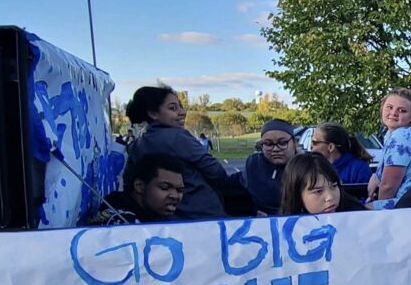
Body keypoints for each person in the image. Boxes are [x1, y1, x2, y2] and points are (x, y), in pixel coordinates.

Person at [125, 86, 230, 220]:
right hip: (202, 213)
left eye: (180, 106)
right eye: (173, 108)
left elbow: (129, 181)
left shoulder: (138, 145)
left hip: (166, 218)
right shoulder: (177, 137)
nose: (182, 112)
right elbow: (215, 170)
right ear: (153, 113)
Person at [91, 153, 184, 225]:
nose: (175, 196)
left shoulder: (154, 217)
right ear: (139, 186)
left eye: (180, 190)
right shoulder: (120, 224)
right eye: (165, 187)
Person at [369, 88, 411, 209]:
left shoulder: (402, 137)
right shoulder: (393, 133)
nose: (393, 113)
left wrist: (380, 218)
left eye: (402, 110)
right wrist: (375, 177)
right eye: (389, 107)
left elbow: (388, 186)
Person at [232, 119, 299, 216]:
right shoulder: (254, 164)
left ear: (294, 142)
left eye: (282, 143)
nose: (275, 149)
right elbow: (230, 184)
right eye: (268, 144)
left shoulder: (307, 167)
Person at [279, 152, 368, 215]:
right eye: (318, 191)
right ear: (296, 194)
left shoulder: (357, 216)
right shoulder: (281, 228)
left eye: (333, 186)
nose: (330, 197)